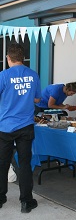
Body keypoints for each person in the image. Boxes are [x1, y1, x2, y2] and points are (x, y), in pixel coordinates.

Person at [0, 43, 41, 213]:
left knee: (2, 164)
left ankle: (1, 198)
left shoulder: (3, 75)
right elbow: (38, 100)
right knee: (24, 164)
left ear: (8, 58)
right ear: (23, 58)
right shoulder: (33, 75)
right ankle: (26, 201)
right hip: (26, 126)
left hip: (5, 126)